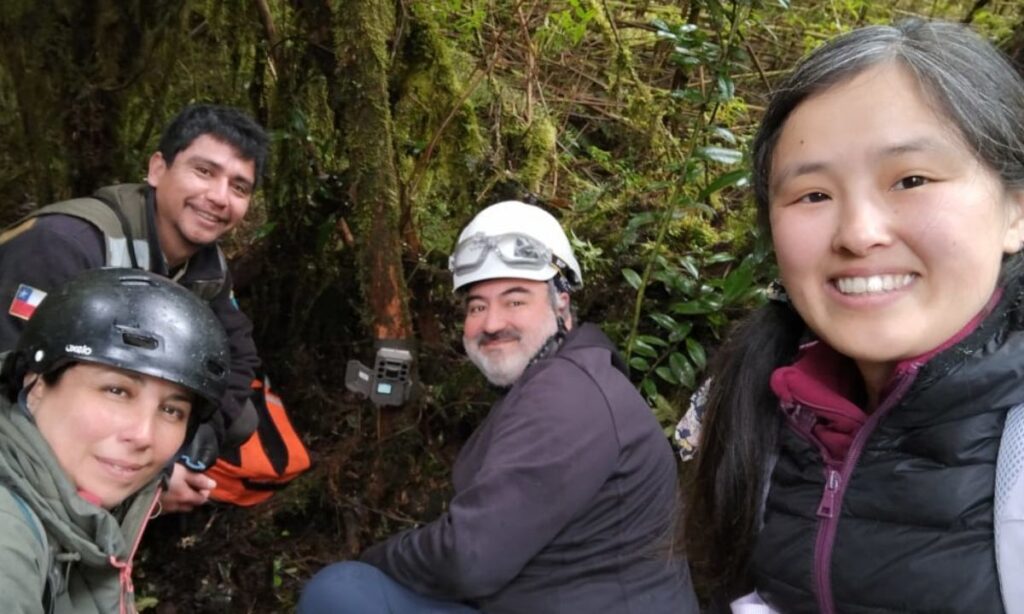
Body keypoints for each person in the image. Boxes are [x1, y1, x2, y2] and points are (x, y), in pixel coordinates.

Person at [681, 19, 1024, 614]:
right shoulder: (757, 414)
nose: (859, 233)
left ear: (1016, 212)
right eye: (813, 195)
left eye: (911, 179)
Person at [299, 201, 698, 613]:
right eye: (477, 306)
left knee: (342, 590)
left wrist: (375, 560)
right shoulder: (573, 377)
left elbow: (469, 557)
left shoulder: (567, 395)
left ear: (562, 302)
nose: (490, 323)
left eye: (515, 300)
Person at [0, 103, 269, 512]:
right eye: (204, 172)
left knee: (243, 418)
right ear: (158, 169)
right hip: (29, 428)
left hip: (115, 416)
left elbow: (238, 357)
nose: (219, 197)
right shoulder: (65, 246)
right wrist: (155, 480)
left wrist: (188, 449)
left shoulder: (205, 268)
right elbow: (13, 379)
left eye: (239, 187)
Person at [0, 268, 230, 612]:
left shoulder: (74, 516)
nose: (143, 435)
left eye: (171, 410)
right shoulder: (9, 540)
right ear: (37, 384)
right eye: (117, 390)